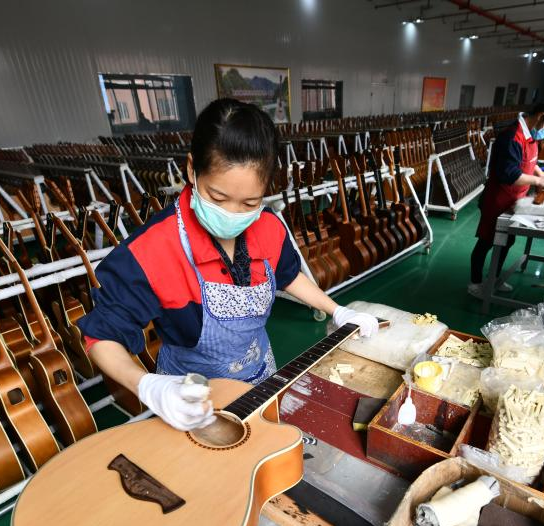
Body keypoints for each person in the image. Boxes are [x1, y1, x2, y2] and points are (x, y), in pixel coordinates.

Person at [79, 98, 379, 432]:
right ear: (191, 170)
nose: (233, 214)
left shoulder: (268, 227)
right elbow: (101, 336)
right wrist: (147, 385)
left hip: (260, 376)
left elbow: (288, 274)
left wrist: (337, 310)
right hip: (190, 400)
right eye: (218, 198)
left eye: (250, 202)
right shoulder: (153, 249)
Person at [467, 99, 544, 298]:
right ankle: (475, 283)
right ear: (541, 117)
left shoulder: (531, 135)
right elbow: (510, 174)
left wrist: (542, 174)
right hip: (497, 200)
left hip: (515, 199)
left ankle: (494, 278)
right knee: (486, 242)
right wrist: (539, 181)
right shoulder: (512, 137)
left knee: (507, 240)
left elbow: (529, 161)